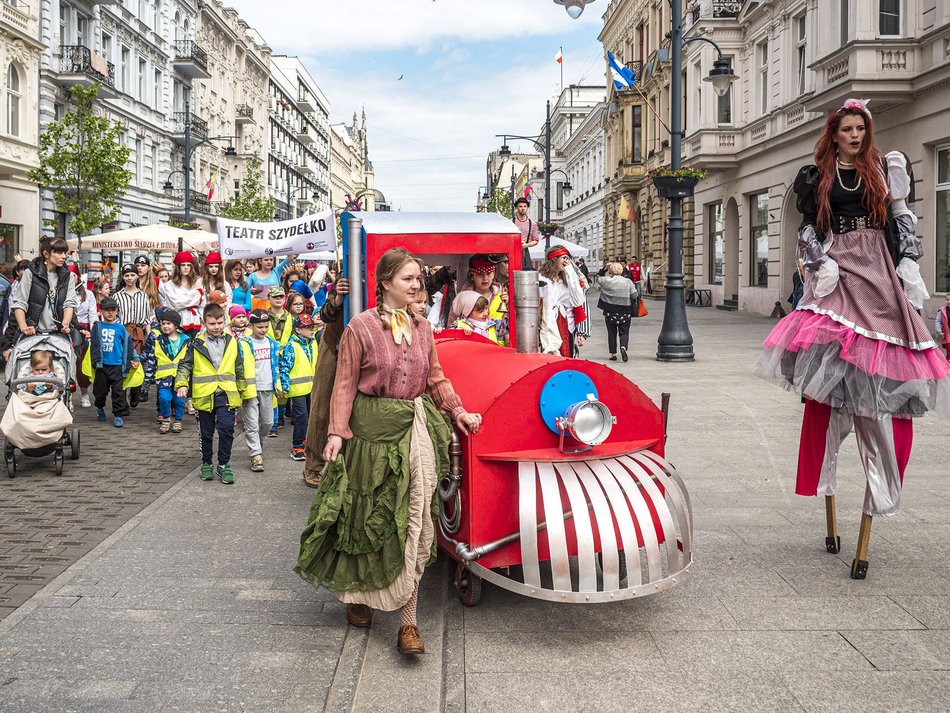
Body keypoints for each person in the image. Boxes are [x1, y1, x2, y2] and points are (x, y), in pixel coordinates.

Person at [754, 98, 950, 579]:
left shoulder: (887, 169)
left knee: (881, 356)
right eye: (847, 129)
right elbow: (808, 230)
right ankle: (834, 455)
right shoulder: (815, 176)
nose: (855, 135)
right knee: (834, 359)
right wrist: (819, 262)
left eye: (861, 128)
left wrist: (908, 263)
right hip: (839, 269)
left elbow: (901, 219)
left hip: (878, 270)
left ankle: (875, 472)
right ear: (834, 133)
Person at [296, 248, 480, 655]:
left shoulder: (423, 327)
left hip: (413, 432)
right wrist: (336, 434)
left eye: (418, 279)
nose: (417, 285)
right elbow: (344, 385)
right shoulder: (359, 328)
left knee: (413, 519)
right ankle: (361, 597)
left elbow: (435, 379)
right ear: (384, 284)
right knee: (367, 519)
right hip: (368, 435)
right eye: (408, 279)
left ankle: (408, 622)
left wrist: (458, 410)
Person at [175, 303, 248, 485]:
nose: (216, 327)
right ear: (204, 323)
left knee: (226, 429)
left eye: (220, 323)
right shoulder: (195, 343)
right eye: (212, 323)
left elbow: (239, 366)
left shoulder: (232, 342)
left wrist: (242, 388)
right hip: (204, 395)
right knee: (206, 433)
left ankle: (223, 464)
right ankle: (206, 463)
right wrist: (182, 384)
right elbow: (185, 364)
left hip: (226, 393)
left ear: (225, 322)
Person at [301, 277, 350, 487]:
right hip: (334, 345)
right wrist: (337, 299)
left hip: (366, 348)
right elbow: (325, 315)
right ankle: (313, 465)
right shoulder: (346, 275)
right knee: (321, 407)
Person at [6, 237, 78, 352]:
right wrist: (24, 327)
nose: (64, 256)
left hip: (58, 336)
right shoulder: (30, 273)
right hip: (32, 335)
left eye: (64, 252)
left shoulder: (67, 276)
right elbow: (20, 303)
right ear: (46, 254)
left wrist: (65, 324)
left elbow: (69, 304)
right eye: (59, 252)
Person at [90, 297, 138, 428]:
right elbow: (92, 345)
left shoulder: (121, 328)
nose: (110, 313)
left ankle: (118, 415)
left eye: (113, 310)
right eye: (107, 310)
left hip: (117, 365)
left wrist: (135, 358)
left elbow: (128, 345)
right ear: (101, 312)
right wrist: (94, 361)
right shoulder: (97, 326)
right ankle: (100, 407)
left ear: (117, 311)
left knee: (118, 392)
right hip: (102, 365)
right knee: (100, 391)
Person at [141, 307, 188, 434]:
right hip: (163, 377)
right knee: (164, 398)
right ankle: (166, 419)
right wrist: (146, 382)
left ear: (176, 325)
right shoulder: (158, 341)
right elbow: (151, 360)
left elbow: (191, 361)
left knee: (179, 400)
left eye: (168, 323)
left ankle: (178, 420)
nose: (165, 326)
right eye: (163, 324)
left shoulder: (186, 340)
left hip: (180, 378)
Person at [243, 309, 279, 473]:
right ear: (251, 326)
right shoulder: (244, 343)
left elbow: (277, 366)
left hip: (267, 388)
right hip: (251, 389)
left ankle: (258, 442)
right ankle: (255, 455)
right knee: (251, 424)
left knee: (268, 423)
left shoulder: (272, 343)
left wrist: (278, 384)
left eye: (266, 326)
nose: (263, 330)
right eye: (259, 327)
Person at [279, 313, 317, 462]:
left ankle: (306, 442)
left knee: (310, 417)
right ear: (298, 330)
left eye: (311, 327)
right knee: (301, 417)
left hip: (312, 387)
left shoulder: (312, 343)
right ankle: (297, 446)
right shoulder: (291, 346)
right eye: (307, 327)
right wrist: (284, 387)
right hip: (297, 389)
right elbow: (284, 367)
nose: (311, 330)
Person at [539, 246, 587, 357]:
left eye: (568, 258)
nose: (567, 261)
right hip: (548, 323)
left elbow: (578, 301)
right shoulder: (541, 278)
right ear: (554, 259)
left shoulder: (569, 278)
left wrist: (571, 274)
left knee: (567, 355)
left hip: (567, 322)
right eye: (564, 258)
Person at [115, 264, 152, 408]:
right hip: (123, 330)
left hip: (138, 332)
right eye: (127, 275)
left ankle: (135, 389)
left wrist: (149, 335)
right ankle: (122, 400)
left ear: (137, 276)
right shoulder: (117, 296)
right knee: (122, 363)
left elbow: (147, 318)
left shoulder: (143, 296)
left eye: (132, 275)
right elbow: (115, 316)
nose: (130, 278)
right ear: (123, 277)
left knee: (137, 361)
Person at [454, 255, 507, 345]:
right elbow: (451, 327)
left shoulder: (503, 296)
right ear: (471, 276)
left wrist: (510, 306)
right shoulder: (462, 299)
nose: (485, 278)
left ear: (493, 273)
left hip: (497, 351)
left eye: (488, 273)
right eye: (479, 274)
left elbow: (509, 326)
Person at [159, 251, 204, 339]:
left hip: (194, 320)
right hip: (176, 321)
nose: (186, 268)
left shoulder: (197, 283)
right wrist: (195, 296)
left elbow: (202, 303)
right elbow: (176, 303)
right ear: (178, 267)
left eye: (188, 265)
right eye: (183, 265)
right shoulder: (169, 285)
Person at [597, 262, 637, 362]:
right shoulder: (628, 282)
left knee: (611, 333)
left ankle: (613, 353)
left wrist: (605, 268)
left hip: (610, 311)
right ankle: (623, 347)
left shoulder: (605, 281)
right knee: (624, 332)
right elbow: (634, 295)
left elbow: (598, 277)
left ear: (610, 271)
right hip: (625, 311)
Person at [74, 267, 98, 407]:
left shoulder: (88, 294)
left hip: (84, 331)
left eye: (74, 276)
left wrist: (92, 332)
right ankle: (68, 395)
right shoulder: (62, 292)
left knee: (82, 363)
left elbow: (92, 314)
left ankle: (84, 394)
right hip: (67, 329)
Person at [512, 196, 540, 267]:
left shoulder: (532, 224)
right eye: (520, 206)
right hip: (513, 251)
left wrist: (526, 245)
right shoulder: (511, 222)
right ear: (516, 208)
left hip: (525, 251)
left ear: (527, 208)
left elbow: (536, 240)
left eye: (525, 206)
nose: (523, 208)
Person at [934, 292, 950, 361]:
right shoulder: (942, 311)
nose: (949, 301)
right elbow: (938, 322)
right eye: (947, 300)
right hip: (947, 334)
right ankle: (947, 363)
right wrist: (939, 331)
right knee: (949, 351)